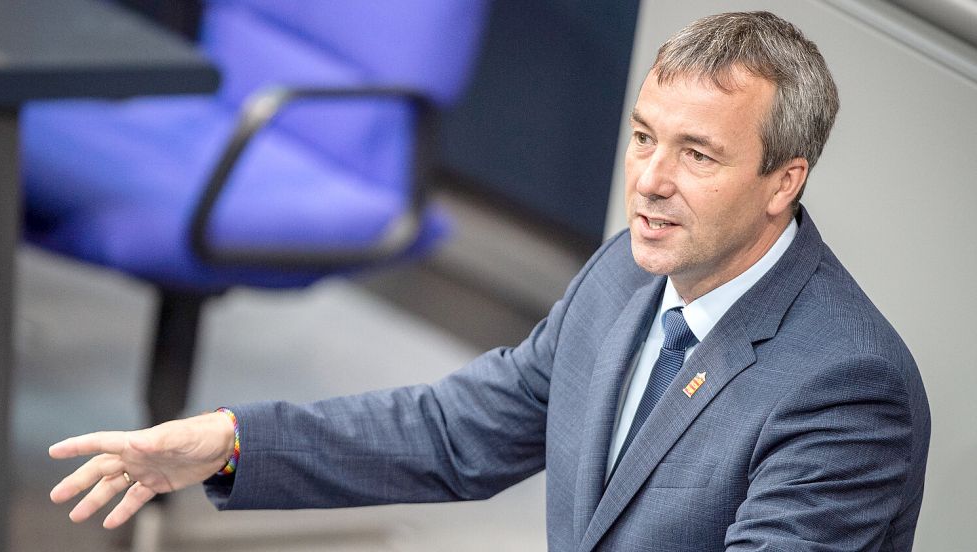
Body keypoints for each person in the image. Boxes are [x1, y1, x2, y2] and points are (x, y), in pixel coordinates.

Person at [49, 11, 930, 551]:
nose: (650, 180)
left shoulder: (843, 390)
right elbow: (455, 433)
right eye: (642, 137)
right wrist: (231, 442)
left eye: (696, 154)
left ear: (784, 181)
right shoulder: (627, 272)